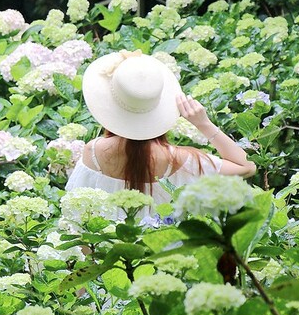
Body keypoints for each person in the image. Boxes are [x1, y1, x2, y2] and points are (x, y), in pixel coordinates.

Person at [66, 50, 256, 205]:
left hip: (102, 250)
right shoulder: (180, 160)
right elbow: (247, 167)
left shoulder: (94, 152)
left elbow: (77, 217)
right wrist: (203, 123)